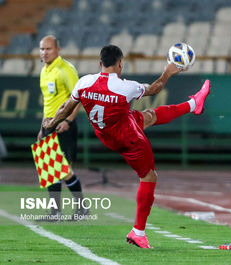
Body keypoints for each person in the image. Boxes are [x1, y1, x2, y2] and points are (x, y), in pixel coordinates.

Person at [42, 44, 211, 248]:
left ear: (100, 63)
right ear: (120, 63)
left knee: (150, 116)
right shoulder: (125, 87)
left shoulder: (84, 82)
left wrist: (50, 123)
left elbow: (65, 107)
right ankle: (138, 233)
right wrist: (168, 72)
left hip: (107, 132)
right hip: (128, 138)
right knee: (149, 176)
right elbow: (155, 88)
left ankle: (194, 104)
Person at [38, 35, 87, 219]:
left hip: (64, 125)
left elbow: (78, 98)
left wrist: (68, 121)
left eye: (48, 49)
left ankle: (82, 209)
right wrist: (42, 127)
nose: (45, 52)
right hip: (48, 123)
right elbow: (48, 102)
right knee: (50, 169)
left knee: (63, 169)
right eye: (42, 49)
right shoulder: (44, 70)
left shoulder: (65, 69)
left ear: (58, 49)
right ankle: (55, 212)